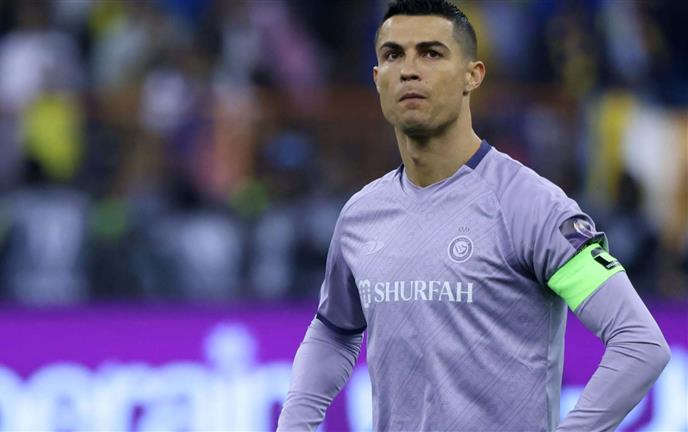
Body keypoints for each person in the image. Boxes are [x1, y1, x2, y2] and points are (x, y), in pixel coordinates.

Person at [276, 1, 671, 431]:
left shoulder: (530, 206)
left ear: (473, 75)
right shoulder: (361, 216)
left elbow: (639, 343)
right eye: (393, 55)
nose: (409, 70)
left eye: (431, 53)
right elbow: (334, 331)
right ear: (377, 78)